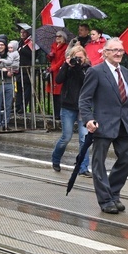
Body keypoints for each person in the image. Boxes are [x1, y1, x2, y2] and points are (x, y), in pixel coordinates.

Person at [79, 38, 128, 214]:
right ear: (105, 52)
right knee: (99, 163)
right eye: (114, 50)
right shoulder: (96, 72)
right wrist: (88, 119)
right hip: (102, 124)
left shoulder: (126, 73)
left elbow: (125, 100)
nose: (118, 53)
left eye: (121, 50)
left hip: (124, 124)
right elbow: (84, 98)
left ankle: (113, 192)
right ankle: (105, 200)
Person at [51, 45, 91, 175]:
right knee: (66, 137)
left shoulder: (88, 69)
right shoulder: (68, 66)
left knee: (84, 138)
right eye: (76, 57)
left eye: (81, 57)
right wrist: (66, 65)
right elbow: (58, 79)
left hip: (83, 108)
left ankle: (83, 167)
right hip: (68, 106)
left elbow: (85, 81)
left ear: (85, 57)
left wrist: (78, 67)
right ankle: (56, 158)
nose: (78, 60)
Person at [0, 38, 19, 131]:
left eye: (2, 45)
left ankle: (5, 124)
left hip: (10, 82)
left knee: (8, 104)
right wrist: (5, 72)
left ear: (5, 46)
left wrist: (11, 71)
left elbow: (16, 66)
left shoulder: (11, 55)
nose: (0, 46)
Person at [46, 31, 68, 120]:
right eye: (56, 36)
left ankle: (60, 113)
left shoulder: (65, 47)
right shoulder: (54, 46)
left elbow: (62, 60)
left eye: (59, 36)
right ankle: (55, 113)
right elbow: (50, 59)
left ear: (63, 38)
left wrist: (53, 68)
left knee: (59, 94)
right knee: (54, 94)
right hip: (52, 71)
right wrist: (50, 55)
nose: (57, 37)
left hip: (58, 71)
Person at [15, 24, 34, 115]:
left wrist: (22, 50)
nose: (22, 34)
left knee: (26, 89)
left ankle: (23, 106)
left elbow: (32, 54)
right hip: (19, 69)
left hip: (27, 69)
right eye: (21, 32)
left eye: (24, 32)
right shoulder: (20, 43)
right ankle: (17, 106)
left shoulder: (31, 42)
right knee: (18, 89)